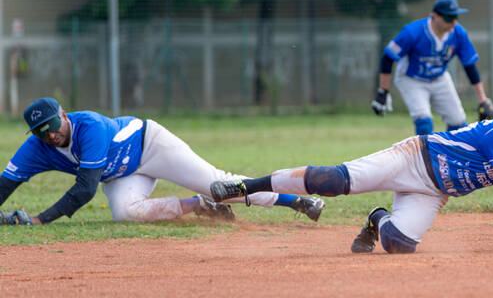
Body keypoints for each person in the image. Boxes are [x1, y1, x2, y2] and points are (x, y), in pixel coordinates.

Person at [211, 84, 493, 254]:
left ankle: (377, 218)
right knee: (332, 181)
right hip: (413, 158)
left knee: (399, 245)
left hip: (434, 191)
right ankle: (246, 185)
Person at [0, 98, 324, 225]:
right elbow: (6, 183)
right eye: (41, 132)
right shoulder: (37, 147)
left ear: (64, 116)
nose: (50, 135)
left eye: (53, 126)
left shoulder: (90, 127)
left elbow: (84, 190)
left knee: (218, 183)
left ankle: (296, 199)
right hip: (121, 175)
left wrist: (40, 220)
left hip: (150, 145)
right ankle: (198, 205)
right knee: (126, 214)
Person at [371, 0, 493, 135]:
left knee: (458, 124)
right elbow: (388, 57)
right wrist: (383, 91)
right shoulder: (413, 32)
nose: (453, 22)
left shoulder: (458, 33)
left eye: (455, 17)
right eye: (448, 18)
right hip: (411, 78)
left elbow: (469, 66)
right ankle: (425, 156)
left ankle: (451, 155)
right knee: (424, 123)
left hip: (439, 77)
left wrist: (482, 99)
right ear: (435, 16)